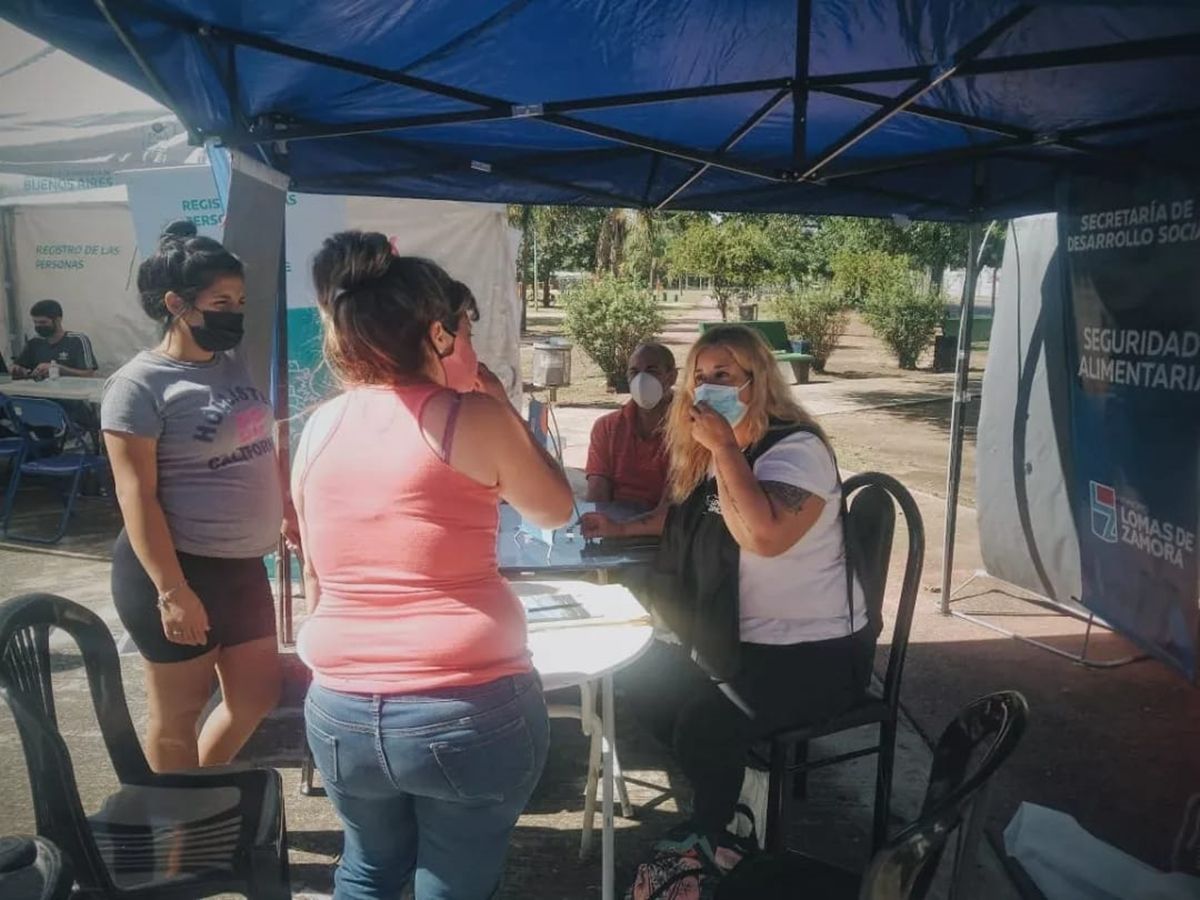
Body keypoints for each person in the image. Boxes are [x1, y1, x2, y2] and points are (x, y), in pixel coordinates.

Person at [293, 231, 574, 900]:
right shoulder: (473, 417)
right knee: (452, 882)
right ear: (442, 335)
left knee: (367, 869)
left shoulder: (318, 424)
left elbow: (316, 570)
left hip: (340, 707)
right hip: (464, 705)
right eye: (469, 331)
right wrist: (500, 402)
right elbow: (555, 509)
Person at [582, 324, 876, 862]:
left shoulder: (796, 450)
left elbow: (762, 534)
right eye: (699, 377)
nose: (707, 387)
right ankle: (735, 781)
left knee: (702, 722)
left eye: (723, 375)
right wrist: (622, 528)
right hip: (734, 638)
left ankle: (719, 831)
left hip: (813, 653)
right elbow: (685, 516)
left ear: (757, 381)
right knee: (641, 677)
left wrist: (722, 449)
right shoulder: (716, 450)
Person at [101, 219, 286, 772]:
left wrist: (287, 509)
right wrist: (171, 590)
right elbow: (136, 496)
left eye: (240, 300)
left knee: (256, 695)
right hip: (177, 569)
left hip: (241, 564)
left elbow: (258, 446)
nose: (234, 312)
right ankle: (178, 843)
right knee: (177, 716)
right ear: (176, 304)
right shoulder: (138, 385)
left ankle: (198, 793)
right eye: (221, 301)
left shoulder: (231, 365)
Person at [585, 342, 676, 508]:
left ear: (672, 377)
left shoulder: (690, 425)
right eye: (634, 372)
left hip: (668, 525)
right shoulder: (607, 427)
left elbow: (675, 501)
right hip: (614, 523)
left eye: (652, 371)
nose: (642, 379)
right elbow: (597, 491)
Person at [11, 299, 99, 379]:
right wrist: (17, 370)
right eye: (35, 322)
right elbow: (20, 367)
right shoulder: (34, 342)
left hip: (72, 393)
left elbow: (89, 374)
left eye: (43, 322)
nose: (38, 326)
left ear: (58, 320)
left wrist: (59, 369)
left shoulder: (77, 340)